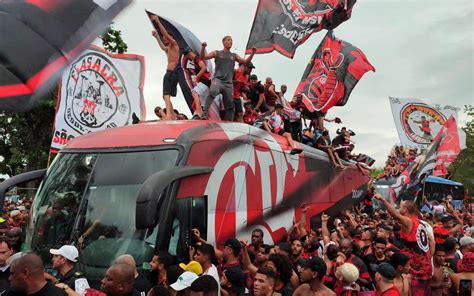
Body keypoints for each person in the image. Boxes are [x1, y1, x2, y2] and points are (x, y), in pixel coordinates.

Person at [374, 194, 433, 296]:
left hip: (414, 268)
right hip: (425, 267)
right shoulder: (421, 223)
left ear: (405, 209)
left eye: (401, 207)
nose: (399, 208)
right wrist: (428, 258)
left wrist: (382, 199)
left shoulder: (409, 221)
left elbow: (395, 215)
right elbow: (432, 242)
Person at [200, 36, 256, 121]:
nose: (231, 42)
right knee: (213, 92)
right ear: (224, 42)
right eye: (228, 40)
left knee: (230, 104)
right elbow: (203, 57)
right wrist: (203, 47)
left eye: (231, 40)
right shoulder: (217, 53)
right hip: (218, 80)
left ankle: (229, 121)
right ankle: (204, 113)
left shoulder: (234, 55)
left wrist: (253, 53)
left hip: (228, 83)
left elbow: (245, 62)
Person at [150, 15, 180, 120]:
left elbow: (166, 35)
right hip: (173, 73)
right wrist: (157, 37)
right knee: (166, 96)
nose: (164, 39)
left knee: (166, 94)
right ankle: (172, 115)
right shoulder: (169, 48)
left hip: (171, 72)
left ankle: (168, 115)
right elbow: (163, 47)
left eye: (165, 38)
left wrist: (158, 22)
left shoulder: (175, 44)